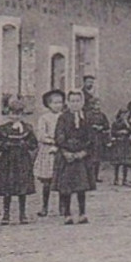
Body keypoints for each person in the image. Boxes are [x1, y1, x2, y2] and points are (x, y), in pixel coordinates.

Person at [0, 96, 38, 225]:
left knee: (22, 189)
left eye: (19, 114)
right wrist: (5, 145)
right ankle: (6, 214)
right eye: (13, 113)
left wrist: (24, 144)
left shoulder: (27, 128)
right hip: (7, 161)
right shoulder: (2, 129)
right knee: (7, 189)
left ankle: (22, 214)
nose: (15, 116)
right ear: (8, 114)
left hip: (22, 161)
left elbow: (33, 144)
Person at [53, 89, 95, 224]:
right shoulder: (63, 118)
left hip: (81, 156)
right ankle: (67, 214)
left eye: (78, 101)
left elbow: (90, 137)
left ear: (82, 102)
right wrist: (66, 151)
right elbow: (59, 136)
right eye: (72, 101)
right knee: (66, 187)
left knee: (81, 186)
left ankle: (82, 213)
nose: (75, 104)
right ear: (68, 102)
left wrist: (83, 152)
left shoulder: (86, 118)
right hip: (67, 156)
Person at [35, 89, 65, 217]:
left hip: (62, 150)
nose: (58, 105)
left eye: (60, 102)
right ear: (48, 104)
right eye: (54, 102)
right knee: (47, 181)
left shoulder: (65, 117)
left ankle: (62, 207)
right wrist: (52, 141)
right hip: (48, 151)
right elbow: (41, 135)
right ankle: (44, 206)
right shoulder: (44, 118)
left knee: (62, 180)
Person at [82, 86, 110, 188]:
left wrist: (101, 127)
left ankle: (96, 176)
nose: (97, 106)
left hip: (99, 138)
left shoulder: (102, 115)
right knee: (90, 158)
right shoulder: (88, 115)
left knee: (98, 158)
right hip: (91, 138)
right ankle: (90, 176)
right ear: (92, 105)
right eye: (95, 104)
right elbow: (85, 125)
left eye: (98, 104)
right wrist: (92, 127)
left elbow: (107, 125)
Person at [106, 109, 131, 186]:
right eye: (123, 114)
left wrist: (127, 124)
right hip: (118, 143)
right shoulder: (116, 123)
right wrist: (120, 132)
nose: (125, 116)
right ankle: (116, 179)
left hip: (126, 143)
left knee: (125, 163)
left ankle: (124, 179)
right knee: (117, 163)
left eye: (126, 114)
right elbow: (113, 132)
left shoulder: (128, 123)